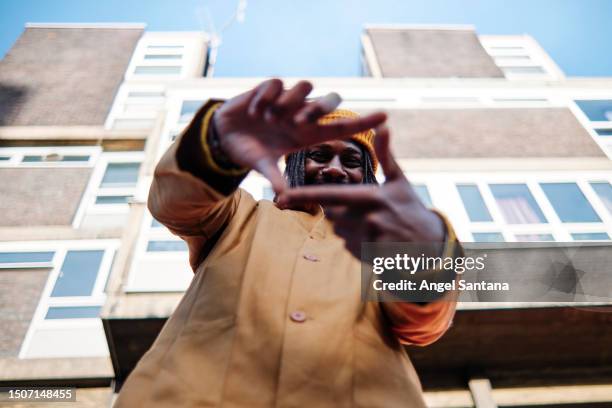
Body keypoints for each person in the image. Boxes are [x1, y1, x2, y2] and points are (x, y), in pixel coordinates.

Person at [114, 79, 461, 407]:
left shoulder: (383, 248)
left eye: (352, 161)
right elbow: (175, 202)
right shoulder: (239, 214)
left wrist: (427, 250)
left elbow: (422, 325)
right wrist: (216, 146)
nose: (336, 169)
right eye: (320, 156)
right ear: (295, 162)